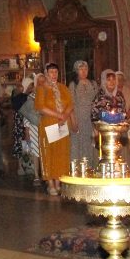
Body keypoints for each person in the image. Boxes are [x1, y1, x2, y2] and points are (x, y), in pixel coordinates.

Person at [35, 63, 73, 196]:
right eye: (51, 72)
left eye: (56, 72)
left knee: (61, 153)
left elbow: (70, 104)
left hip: (62, 124)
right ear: (46, 73)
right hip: (49, 123)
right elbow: (40, 107)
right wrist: (58, 115)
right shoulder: (42, 89)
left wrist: (65, 116)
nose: (54, 75)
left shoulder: (63, 87)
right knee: (49, 153)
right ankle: (50, 183)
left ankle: (58, 181)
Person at [69, 60, 97, 162]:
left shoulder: (93, 84)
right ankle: (77, 167)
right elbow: (70, 104)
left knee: (90, 142)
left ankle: (90, 167)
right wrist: (73, 120)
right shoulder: (73, 85)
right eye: (81, 69)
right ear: (76, 71)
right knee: (77, 143)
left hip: (91, 118)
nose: (84, 71)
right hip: (78, 117)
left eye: (86, 69)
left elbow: (97, 102)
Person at [115, 70, 130, 165]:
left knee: (127, 149)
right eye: (118, 79)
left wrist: (125, 117)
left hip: (126, 123)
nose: (120, 81)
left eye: (122, 79)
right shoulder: (112, 92)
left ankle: (127, 166)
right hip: (116, 125)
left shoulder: (127, 91)